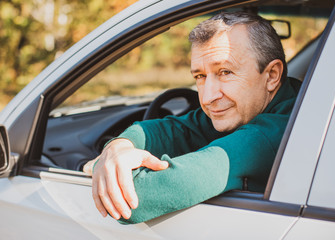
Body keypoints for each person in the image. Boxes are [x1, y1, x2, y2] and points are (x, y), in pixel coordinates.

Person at [83, 11, 301, 224]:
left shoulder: (274, 133)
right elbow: (175, 130)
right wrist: (119, 147)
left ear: (272, 75)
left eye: (225, 72)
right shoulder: (257, 105)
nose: (207, 97)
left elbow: (135, 200)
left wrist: (96, 166)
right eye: (200, 76)